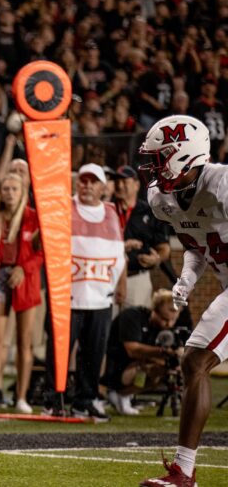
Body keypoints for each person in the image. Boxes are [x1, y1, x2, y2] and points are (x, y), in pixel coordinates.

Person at [139, 115, 228, 487]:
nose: (153, 168)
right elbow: (197, 247)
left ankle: (184, 473)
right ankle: (183, 472)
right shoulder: (162, 198)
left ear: (184, 155)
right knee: (195, 362)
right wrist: (187, 280)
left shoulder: (222, 183)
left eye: (161, 157)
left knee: (196, 359)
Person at [42, 164, 126, 420]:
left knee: (93, 352)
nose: (87, 185)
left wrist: (120, 284)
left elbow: (119, 253)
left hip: (100, 296)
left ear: (103, 187)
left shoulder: (112, 212)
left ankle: (85, 400)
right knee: (58, 352)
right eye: (83, 180)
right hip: (67, 295)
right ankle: (52, 400)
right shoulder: (64, 207)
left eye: (93, 181)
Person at [0, 172, 42, 415]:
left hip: (25, 280)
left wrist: (24, 269)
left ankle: (22, 397)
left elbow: (42, 252)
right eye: (6, 189)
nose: (10, 193)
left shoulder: (34, 218)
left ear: (22, 191)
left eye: (14, 188)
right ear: (0, 192)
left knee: (25, 343)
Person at [103, 289, 182, 416]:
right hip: (112, 367)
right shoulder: (132, 316)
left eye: (173, 320)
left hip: (129, 366)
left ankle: (124, 395)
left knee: (165, 369)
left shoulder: (164, 327)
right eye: (164, 319)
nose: (169, 324)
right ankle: (116, 393)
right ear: (154, 311)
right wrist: (165, 352)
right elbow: (132, 350)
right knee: (150, 366)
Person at [111, 165, 171, 309]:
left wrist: (156, 258)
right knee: (106, 328)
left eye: (125, 182)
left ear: (137, 185)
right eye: (117, 181)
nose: (119, 185)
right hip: (109, 278)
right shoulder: (107, 209)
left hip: (136, 278)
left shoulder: (150, 212)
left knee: (134, 325)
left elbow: (164, 248)